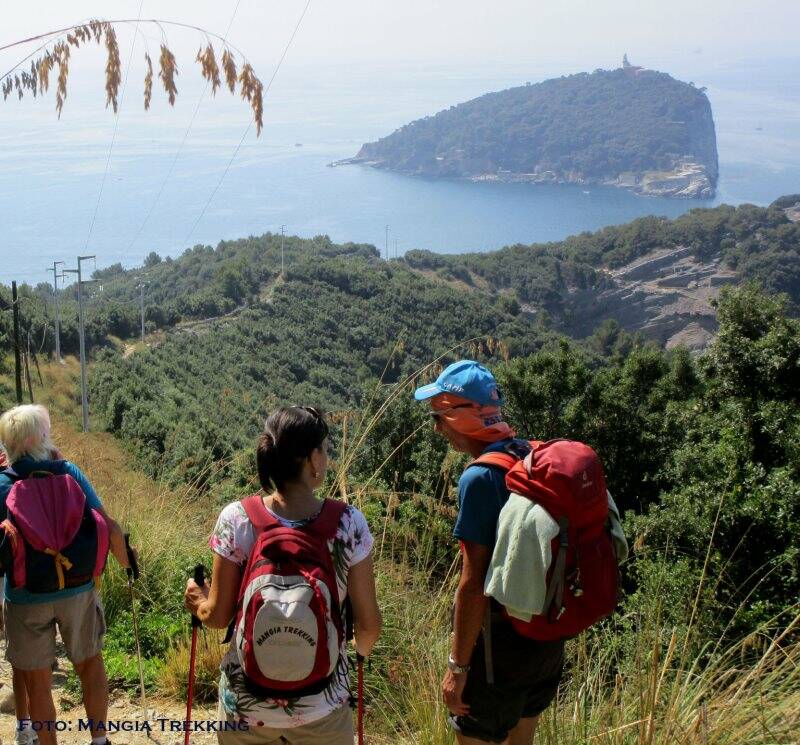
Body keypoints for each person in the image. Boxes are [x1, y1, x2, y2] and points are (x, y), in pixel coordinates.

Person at [185, 405, 381, 745]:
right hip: (323, 706)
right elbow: (369, 626)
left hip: (246, 707)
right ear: (312, 460)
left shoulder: (236, 519)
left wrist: (198, 601)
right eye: (323, 448)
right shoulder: (349, 523)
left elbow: (217, 617)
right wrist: (358, 654)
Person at [415, 360, 565, 745]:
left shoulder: (480, 478)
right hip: (545, 639)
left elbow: (472, 582)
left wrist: (458, 668)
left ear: (463, 417)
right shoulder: (530, 455)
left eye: (440, 416)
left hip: (499, 651)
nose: (437, 428)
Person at [0, 405, 133, 745]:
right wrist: (127, 566)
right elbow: (109, 525)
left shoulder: (2, 483)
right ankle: (100, 740)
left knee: (38, 682)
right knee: (90, 665)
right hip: (77, 589)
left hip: (25, 595)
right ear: (38, 437)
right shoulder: (68, 471)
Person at [0, 447, 37, 745]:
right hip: (29, 579)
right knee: (27, 661)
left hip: (13, 577)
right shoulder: (53, 472)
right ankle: (27, 729)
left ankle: (24, 727)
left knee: (20, 659)